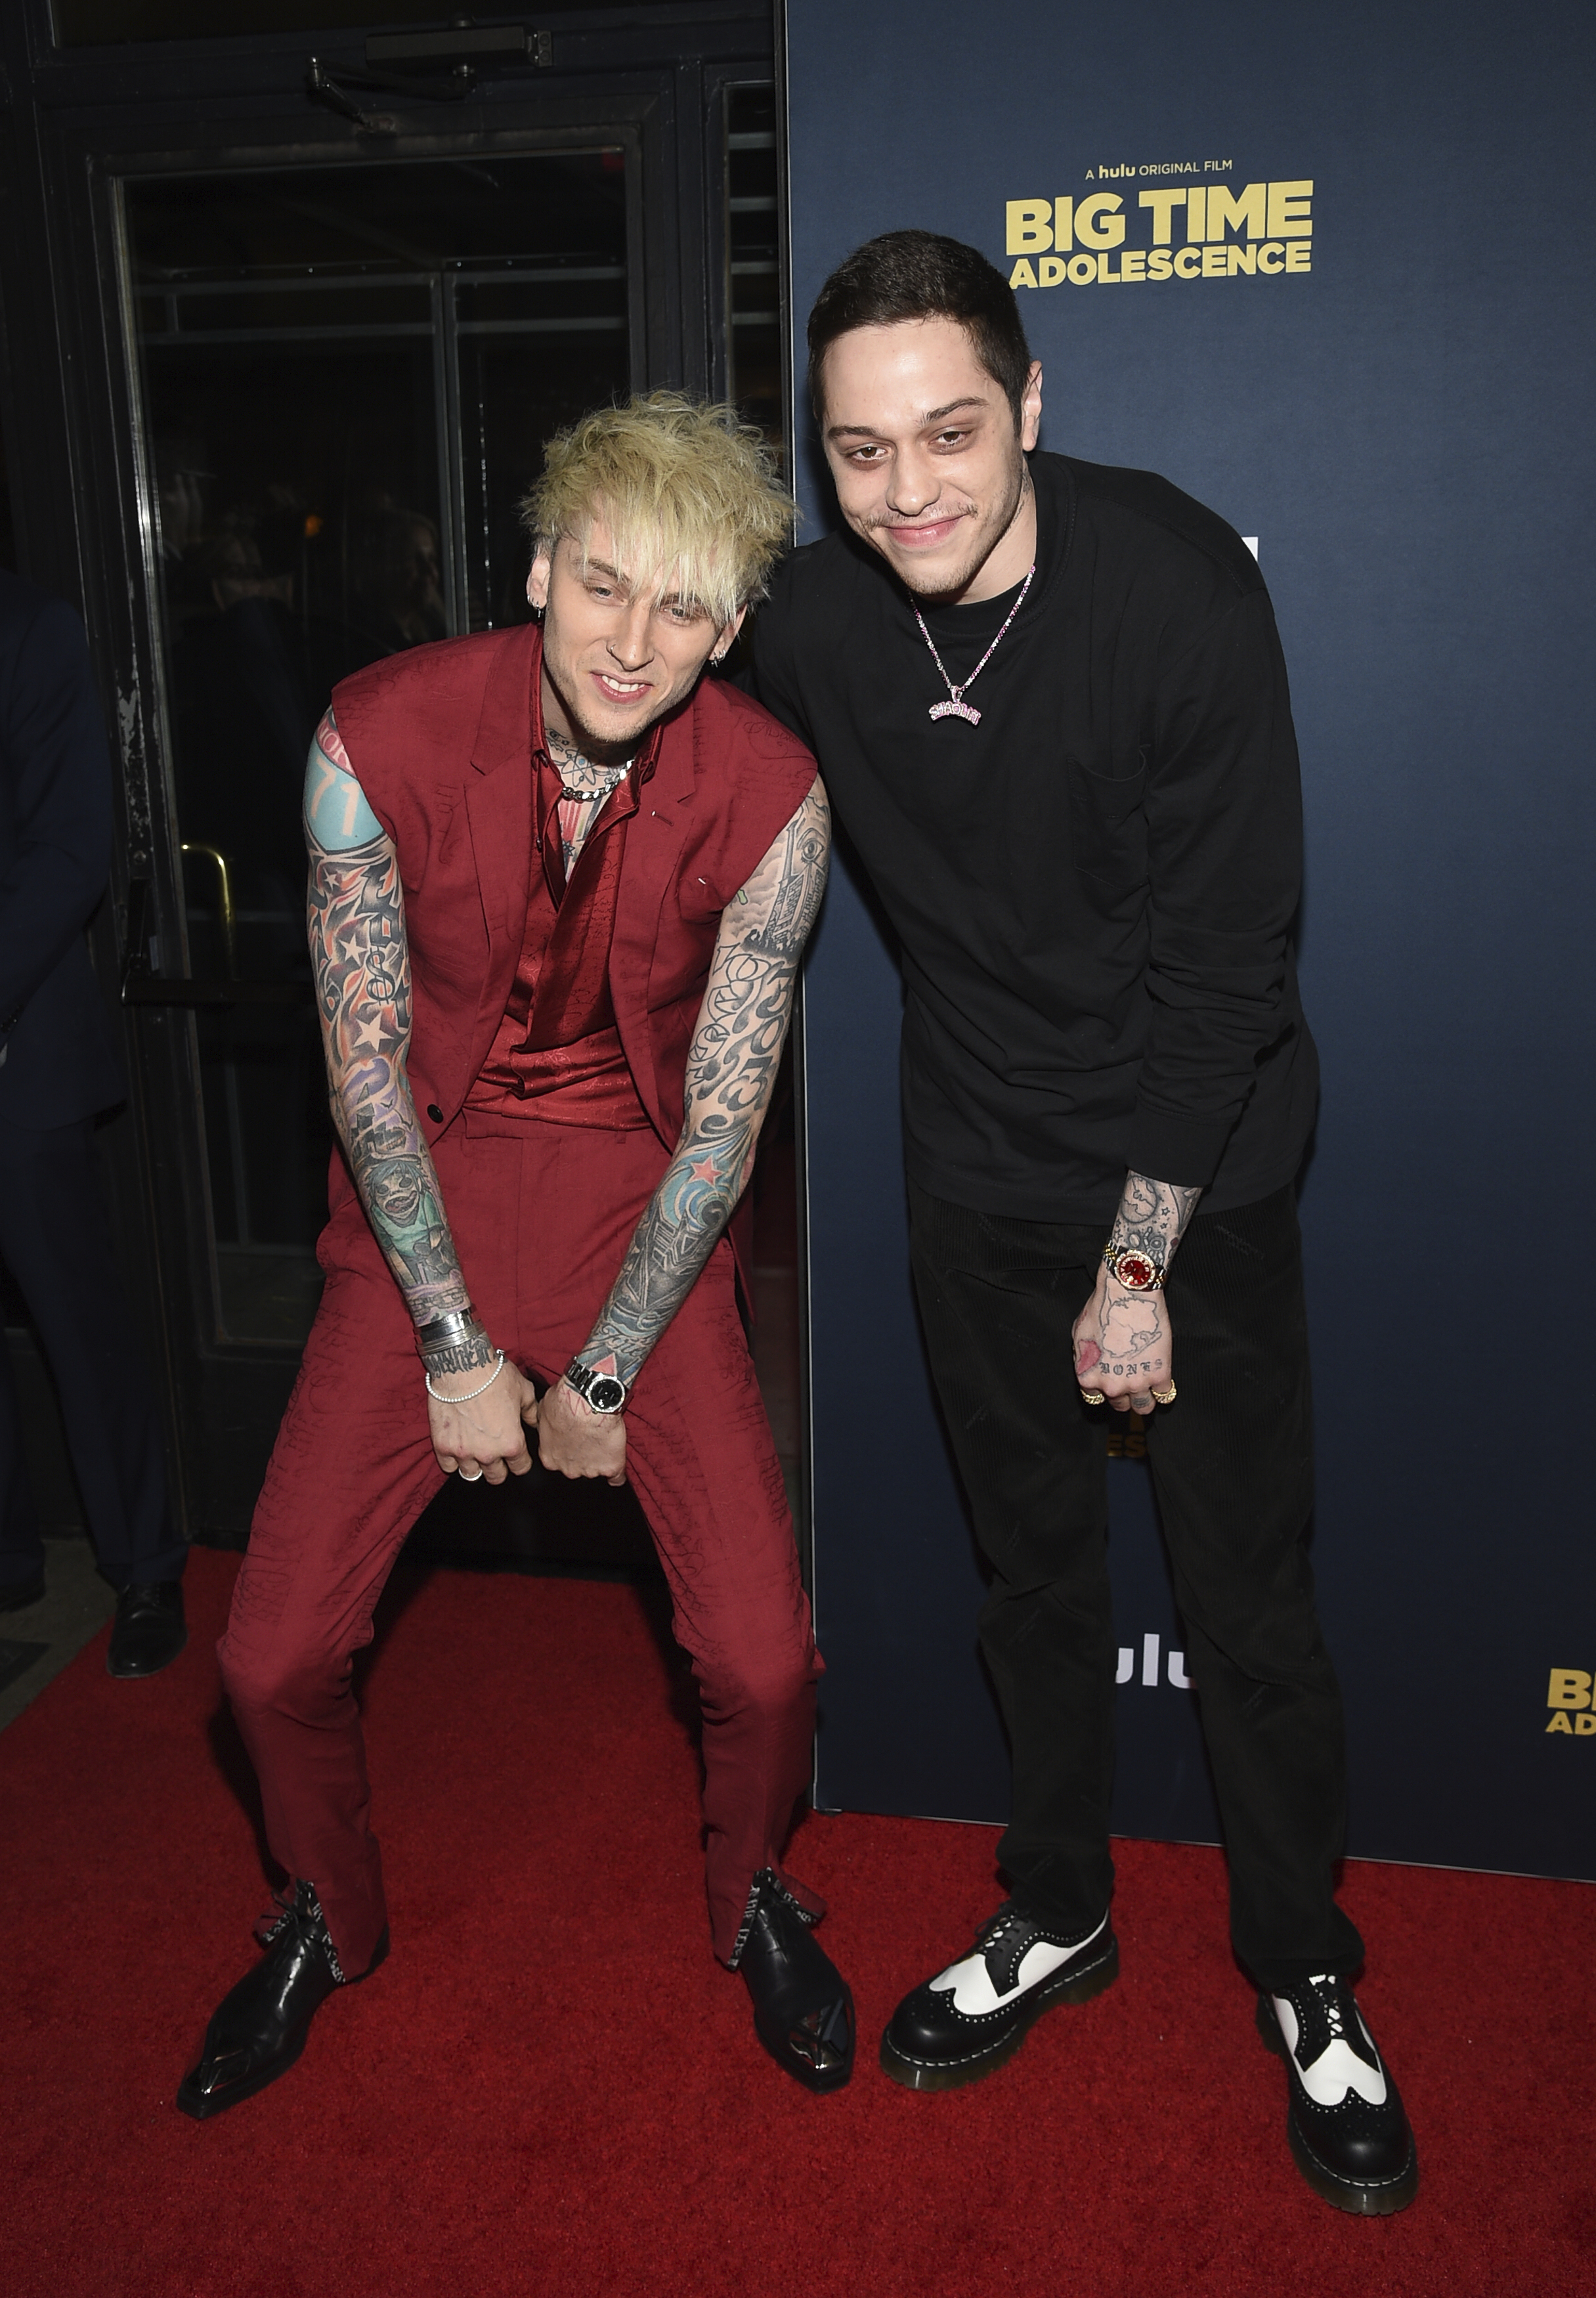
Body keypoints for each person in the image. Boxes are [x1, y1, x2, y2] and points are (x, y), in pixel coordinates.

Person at [748, 231, 1417, 2217]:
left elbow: (1230, 973)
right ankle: (1060, 1905)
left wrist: (1141, 1260)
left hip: (1194, 1173)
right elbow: (626, 629)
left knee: (1247, 1599)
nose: (910, 492)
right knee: (1029, 1578)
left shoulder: (1180, 588)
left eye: (951, 432)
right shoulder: (815, 614)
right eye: (859, 452)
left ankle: (1306, 1962)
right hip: (971, 1167)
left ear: (1032, 406)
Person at [178, 395, 850, 2119]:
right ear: (542, 566)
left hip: (648, 1204)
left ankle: (755, 1888)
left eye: (687, 609)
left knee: (765, 1656)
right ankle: (326, 1911)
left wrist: (609, 1363)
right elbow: (361, 1066)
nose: (636, 644)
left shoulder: (775, 792)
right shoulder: (375, 733)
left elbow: (726, 1119)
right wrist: (458, 1339)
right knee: (266, 1655)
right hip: (425, 1199)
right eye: (608, 586)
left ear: (735, 624)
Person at [0, 569, 187, 1676]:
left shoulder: (32, 631)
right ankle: (10, 1564)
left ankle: (147, 1565)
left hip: (21, 1056)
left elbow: (69, 854)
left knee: (80, 1327)